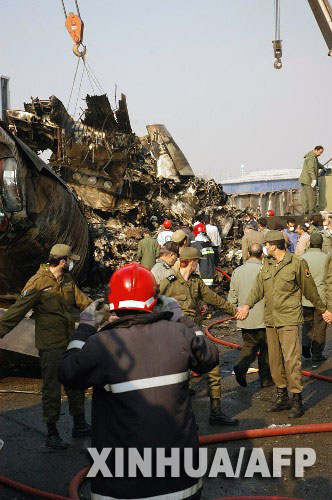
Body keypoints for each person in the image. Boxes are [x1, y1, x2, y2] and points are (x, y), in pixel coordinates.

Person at [59, 263, 218, 500]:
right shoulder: (179, 334)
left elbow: (68, 373)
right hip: (183, 485)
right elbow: (209, 356)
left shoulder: (102, 344)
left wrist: (86, 327)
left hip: (123, 488)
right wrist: (181, 318)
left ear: (113, 302)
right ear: (154, 300)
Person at [0, 244, 92, 449]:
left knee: (75, 382)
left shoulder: (66, 280)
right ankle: (52, 433)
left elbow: (84, 302)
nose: (72, 263)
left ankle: (79, 424)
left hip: (69, 342)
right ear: (62, 261)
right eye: (71, 260)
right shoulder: (37, 282)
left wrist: (104, 312)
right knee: (51, 388)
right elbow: (16, 311)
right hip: (50, 346)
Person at [237, 231, 331, 418]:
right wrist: (247, 305)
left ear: (273, 245)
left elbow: (310, 290)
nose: (265, 248)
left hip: (288, 319)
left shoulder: (297, 263)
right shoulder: (267, 264)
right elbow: (258, 288)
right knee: (274, 360)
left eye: (266, 244)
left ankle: (297, 398)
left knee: (291, 360)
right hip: (271, 319)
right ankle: (282, 397)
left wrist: (324, 309)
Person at [160, 247, 239, 426]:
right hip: (176, 337)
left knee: (213, 367)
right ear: (191, 262)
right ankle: (181, 419)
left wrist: (234, 311)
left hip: (195, 335)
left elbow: (213, 298)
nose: (198, 265)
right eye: (197, 261)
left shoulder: (196, 282)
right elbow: (154, 303)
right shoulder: (169, 282)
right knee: (180, 378)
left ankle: (216, 413)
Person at [228, 244, 272, 388]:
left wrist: (234, 311)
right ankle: (265, 379)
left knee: (250, 345)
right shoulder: (266, 270)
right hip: (265, 317)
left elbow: (232, 297)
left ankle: (241, 366)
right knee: (267, 349)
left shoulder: (237, 271)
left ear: (247, 253)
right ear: (262, 255)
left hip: (245, 317)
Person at [301, 233, 329, 366]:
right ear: (321, 244)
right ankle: (317, 354)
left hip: (305, 297)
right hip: (321, 297)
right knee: (320, 326)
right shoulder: (327, 258)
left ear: (310, 243)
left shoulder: (301, 258)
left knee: (307, 322)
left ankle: (305, 345)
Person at [298, 146, 324, 214]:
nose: (320, 154)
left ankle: (305, 211)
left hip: (305, 180)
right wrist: (314, 179)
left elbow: (317, 164)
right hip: (308, 180)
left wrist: (323, 167)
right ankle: (310, 211)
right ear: (316, 150)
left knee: (305, 196)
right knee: (311, 196)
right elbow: (311, 169)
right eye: (320, 152)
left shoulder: (313, 157)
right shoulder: (311, 158)